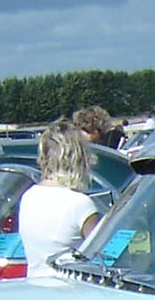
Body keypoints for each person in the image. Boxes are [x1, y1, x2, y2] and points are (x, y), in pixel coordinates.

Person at [18, 119, 102, 279]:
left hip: (35, 285)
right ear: (79, 158)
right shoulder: (80, 204)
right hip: (71, 291)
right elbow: (102, 257)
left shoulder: (28, 196)